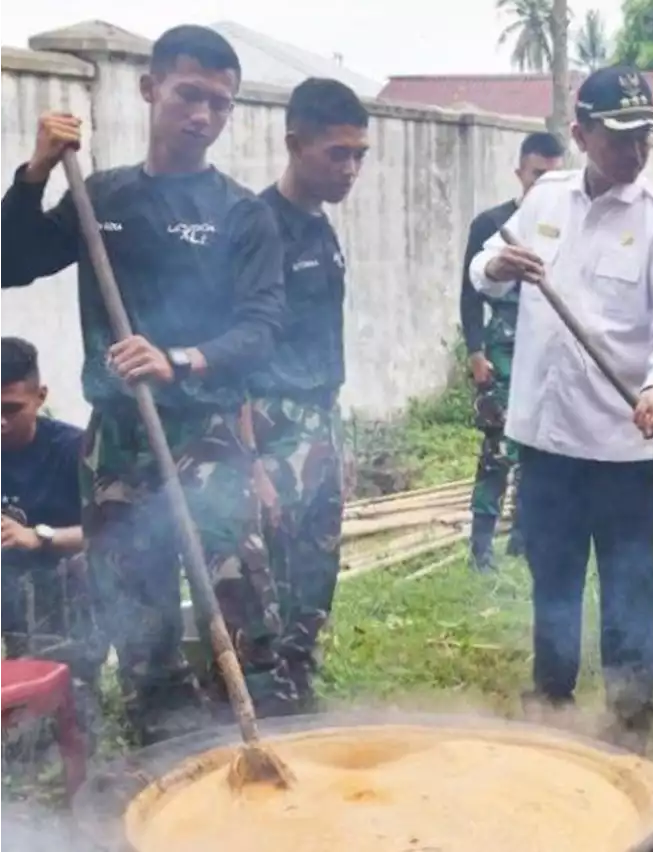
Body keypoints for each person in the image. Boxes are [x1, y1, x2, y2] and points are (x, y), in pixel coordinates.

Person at [0, 25, 289, 745]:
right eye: (190, 94)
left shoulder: (240, 215)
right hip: (119, 438)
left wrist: (180, 358)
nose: (203, 116)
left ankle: (252, 741)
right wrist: (33, 173)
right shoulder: (101, 195)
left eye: (220, 105)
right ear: (150, 87)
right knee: (134, 604)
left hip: (208, 433)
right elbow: (10, 261)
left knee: (237, 593)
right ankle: (164, 752)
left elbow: (262, 329)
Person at [469, 65, 653, 751]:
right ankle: (552, 705)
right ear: (581, 133)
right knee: (554, 580)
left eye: (643, 138)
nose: (634, 153)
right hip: (546, 441)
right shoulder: (546, 200)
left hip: (622, 444)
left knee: (630, 584)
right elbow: (486, 262)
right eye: (619, 137)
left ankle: (628, 719)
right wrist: (495, 270)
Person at [248, 78, 369, 714]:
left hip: (319, 416)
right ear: (295, 144)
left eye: (359, 156)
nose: (350, 169)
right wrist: (250, 461)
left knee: (317, 566)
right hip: (267, 423)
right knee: (269, 571)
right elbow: (236, 351)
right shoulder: (257, 227)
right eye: (337, 154)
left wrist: (335, 440)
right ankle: (266, 702)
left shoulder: (322, 229)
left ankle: (299, 685)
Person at [461, 132, 565, 573]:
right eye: (538, 174)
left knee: (539, 448)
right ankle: (481, 548)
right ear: (520, 172)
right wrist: (475, 351)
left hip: (547, 350)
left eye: (554, 175)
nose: (544, 184)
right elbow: (468, 291)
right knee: (497, 450)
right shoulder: (494, 223)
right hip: (503, 349)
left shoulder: (563, 225)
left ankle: (524, 540)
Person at [0, 338, 105, 748]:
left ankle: (77, 688)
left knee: (80, 565)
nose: (0, 424)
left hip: (63, 586)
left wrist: (39, 536)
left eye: (11, 410)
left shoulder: (74, 450)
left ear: (40, 397)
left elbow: (108, 532)